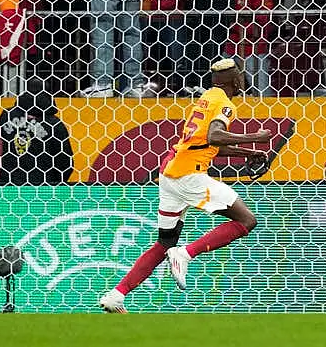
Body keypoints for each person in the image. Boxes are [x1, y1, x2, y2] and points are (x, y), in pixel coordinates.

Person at [99, 58, 273, 313]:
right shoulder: (224, 105)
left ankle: (116, 295)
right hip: (190, 177)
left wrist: (247, 152)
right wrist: (254, 138)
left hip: (170, 174)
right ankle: (186, 254)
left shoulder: (206, 99)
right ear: (234, 80)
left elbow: (208, 143)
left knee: (164, 243)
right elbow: (215, 135)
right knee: (246, 220)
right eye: (240, 76)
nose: (242, 80)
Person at [0, 87, 73, 185]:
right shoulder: (54, 124)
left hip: (8, 182)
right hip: (44, 185)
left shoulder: (6, 115)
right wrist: (57, 182)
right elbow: (65, 161)